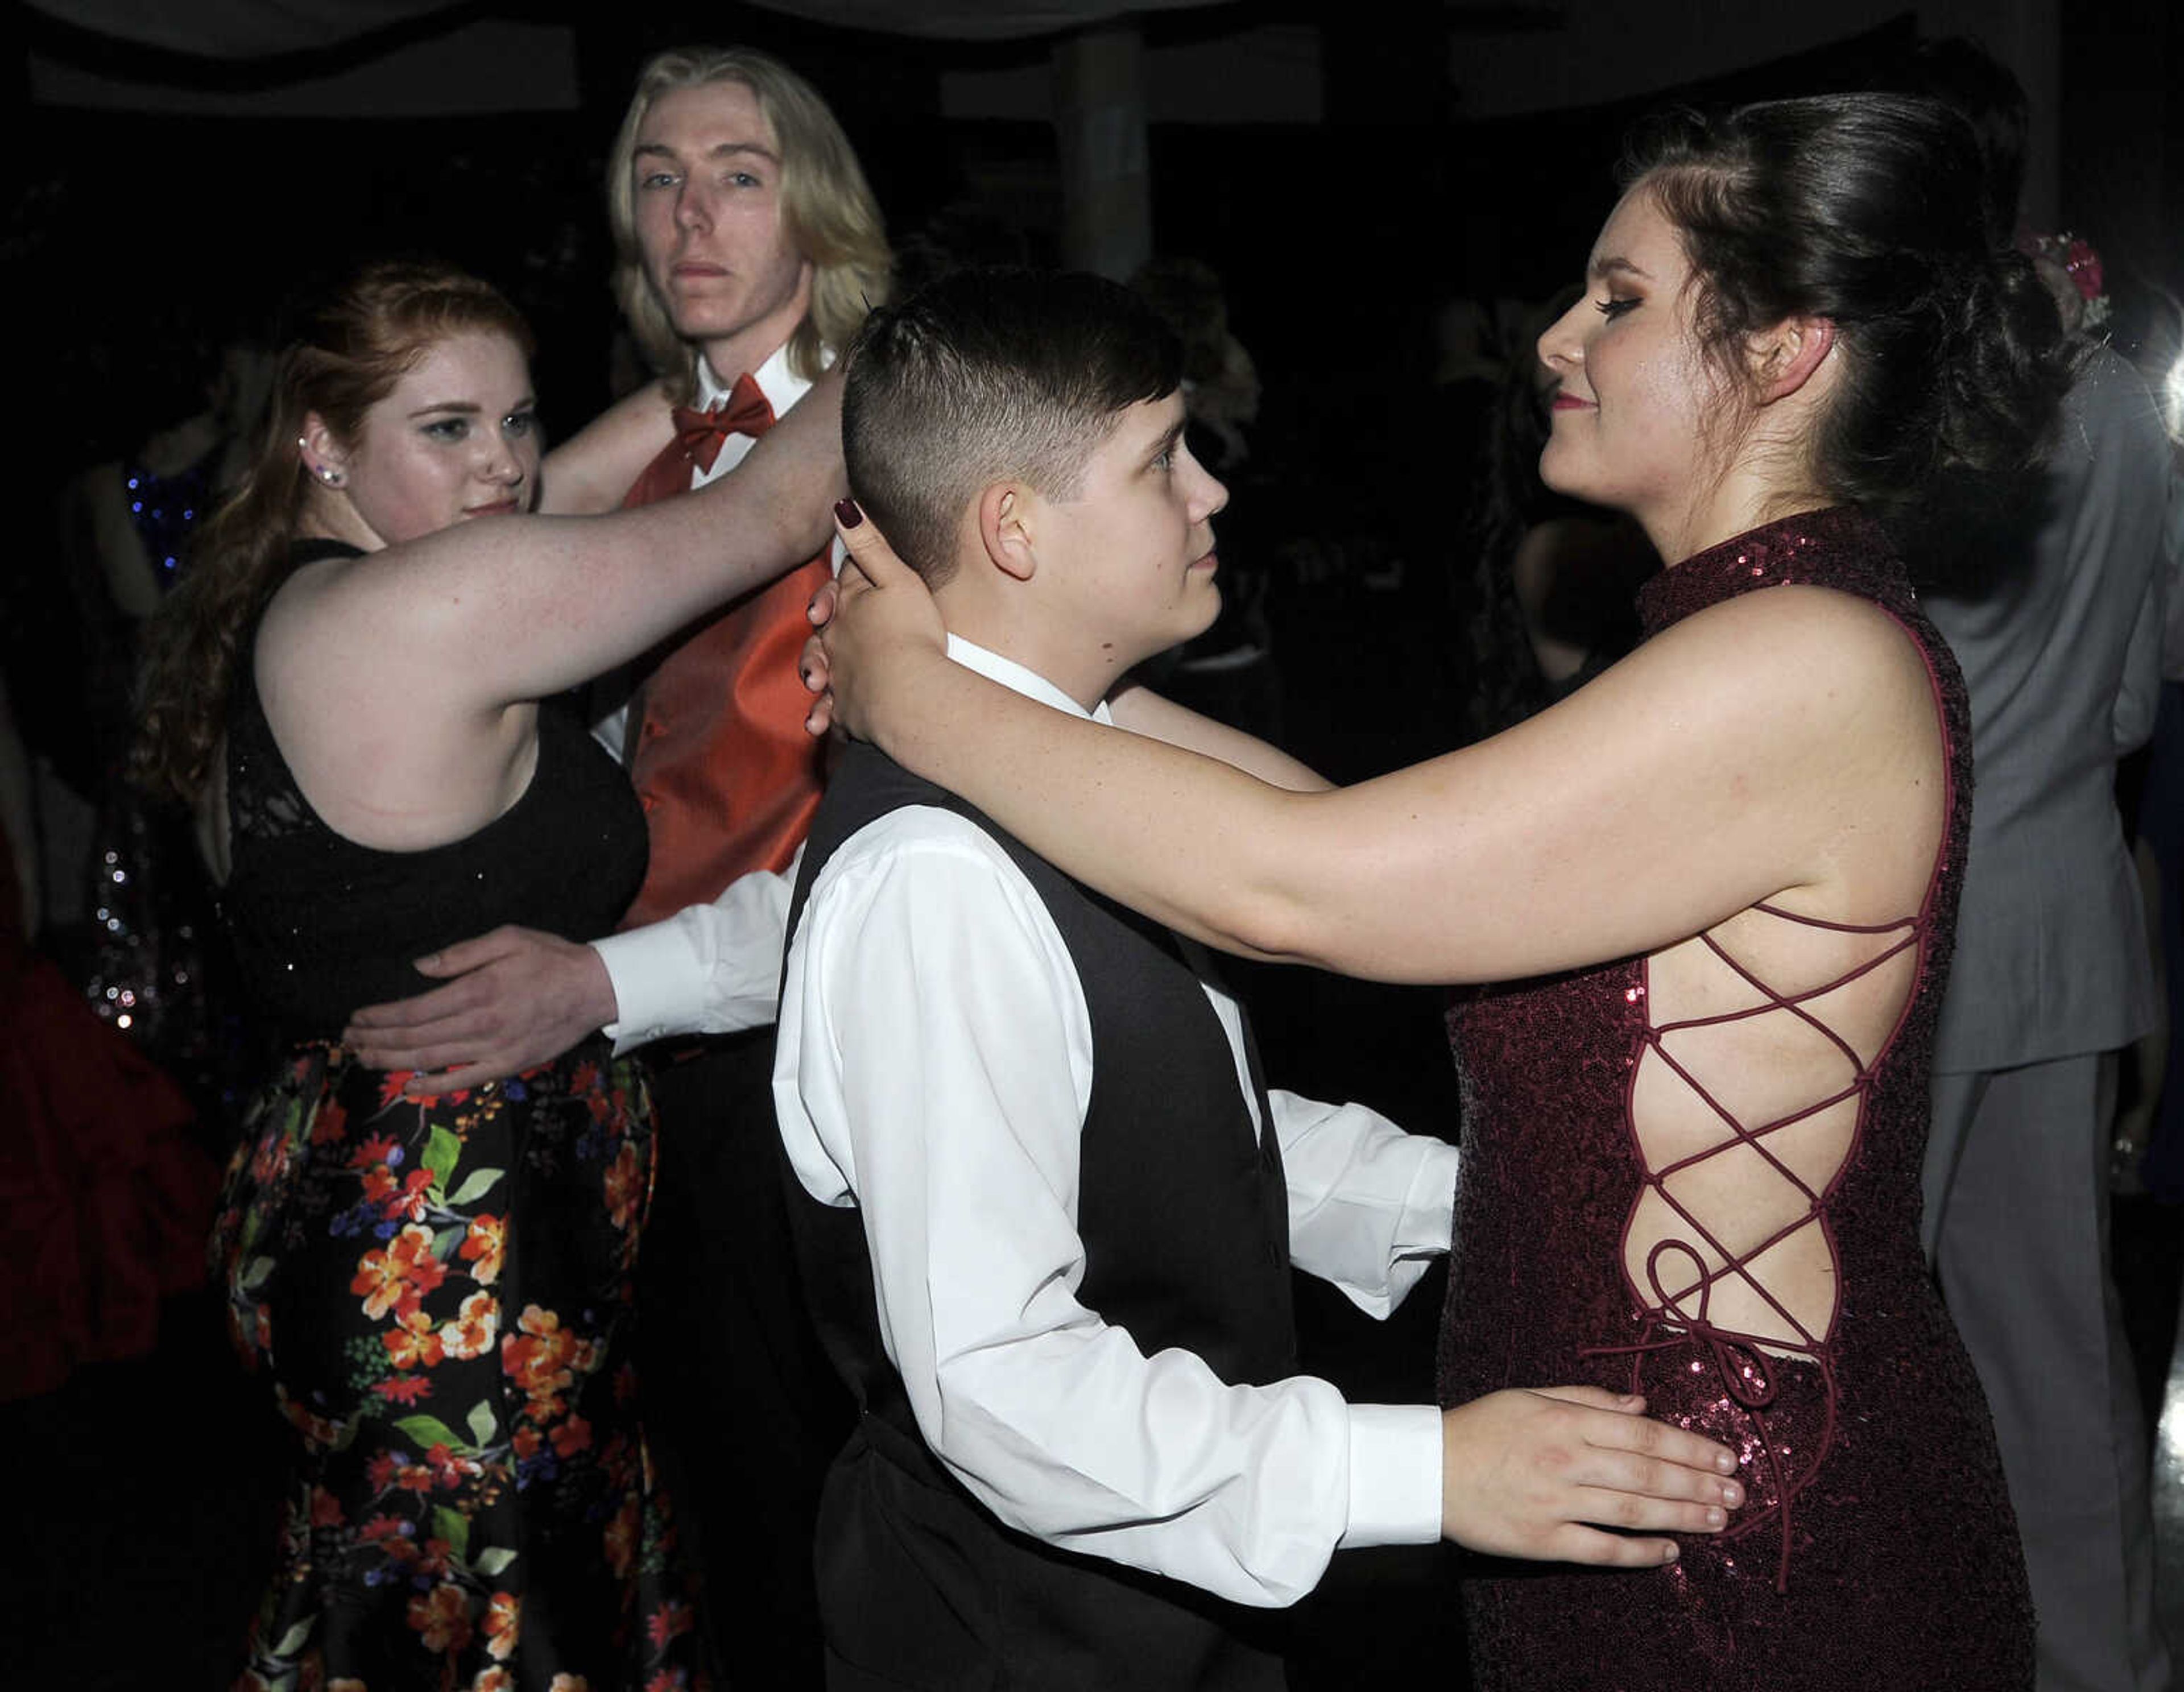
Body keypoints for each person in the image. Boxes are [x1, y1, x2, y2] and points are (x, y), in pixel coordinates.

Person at [809, 96, 2070, 1689]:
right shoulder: (1750, 635)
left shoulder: (1802, 656)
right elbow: (1368, 843)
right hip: (1625, 1488)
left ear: (1782, 351)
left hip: (1738, 1538)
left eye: (1619, 300)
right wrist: (1017, 668)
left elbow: (1300, 889)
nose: (1558, 336)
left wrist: (914, 689)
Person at [778, 267, 1744, 1691]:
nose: (1213, 493)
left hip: (1160, 1602)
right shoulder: (940, 879)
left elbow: (1168, 1131)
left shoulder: (1078, 777)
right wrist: (1435, 1470)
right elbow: (1002, 1381)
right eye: (1163, 458)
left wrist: (1495, 1198)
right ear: (1012, 531)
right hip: (1022, 1637)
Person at [131, 259, 843, 1689]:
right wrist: (883, 326)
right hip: (452, 1251)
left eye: (519, 419)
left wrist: (710, 362)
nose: (502, 464)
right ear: (320, 441)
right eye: (448, 428)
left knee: (423, 1627)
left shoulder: (304, 590)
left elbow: (553, 496)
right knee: (515, 1638)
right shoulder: (421, 611)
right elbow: (761, 508)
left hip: (363, 1198)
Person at [338, 48, 888, 1679]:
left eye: (737, 170)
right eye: (658, 175)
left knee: (839, 1517)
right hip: (668, 1068)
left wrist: (599, 978)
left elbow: (917, 839)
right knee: (720, 1505)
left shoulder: (892, 422)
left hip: (825, 1053)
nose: (690, 211)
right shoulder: (675, 443)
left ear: (818, 200)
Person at [1898, 40, 2176, 1692]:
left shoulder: (1918, 388)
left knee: (1851, 1333)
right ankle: (2105, 1662)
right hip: (2066, 908)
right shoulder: (2117, 392)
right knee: (2057, 1346)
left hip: (1902, 921)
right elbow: (2141, 689)